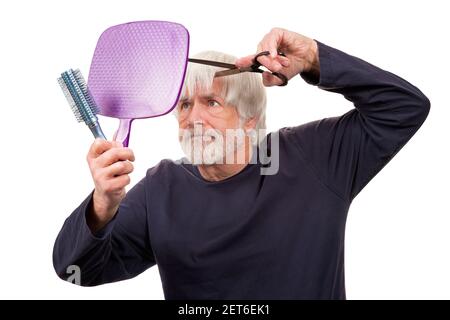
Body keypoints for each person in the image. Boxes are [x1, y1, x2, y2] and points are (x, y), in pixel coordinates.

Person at [53, 28, 430, 299]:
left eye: (212, 103)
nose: (194, 119)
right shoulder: (161, 188)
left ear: (250, 118)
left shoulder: (313, 157)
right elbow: (77, 271)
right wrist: (102, 205)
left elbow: (403, 108)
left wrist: (314, 57)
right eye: (184, 105)